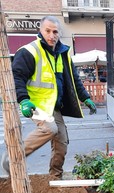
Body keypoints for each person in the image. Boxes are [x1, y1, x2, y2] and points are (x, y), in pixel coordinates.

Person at [1, 16, 97, 179]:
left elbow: (73, 79)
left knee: (62, 143)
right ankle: (13, 157)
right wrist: (23, 100)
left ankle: (55, 176)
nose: (51, 35)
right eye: (48, 31)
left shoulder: (62, 53)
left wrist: (85, 97)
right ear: (40, 30)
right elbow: (16, 77)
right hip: (35, 104)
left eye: (55, 32)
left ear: (59, 33)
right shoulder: (29, 51)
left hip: (54, 106)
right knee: (49, 129)